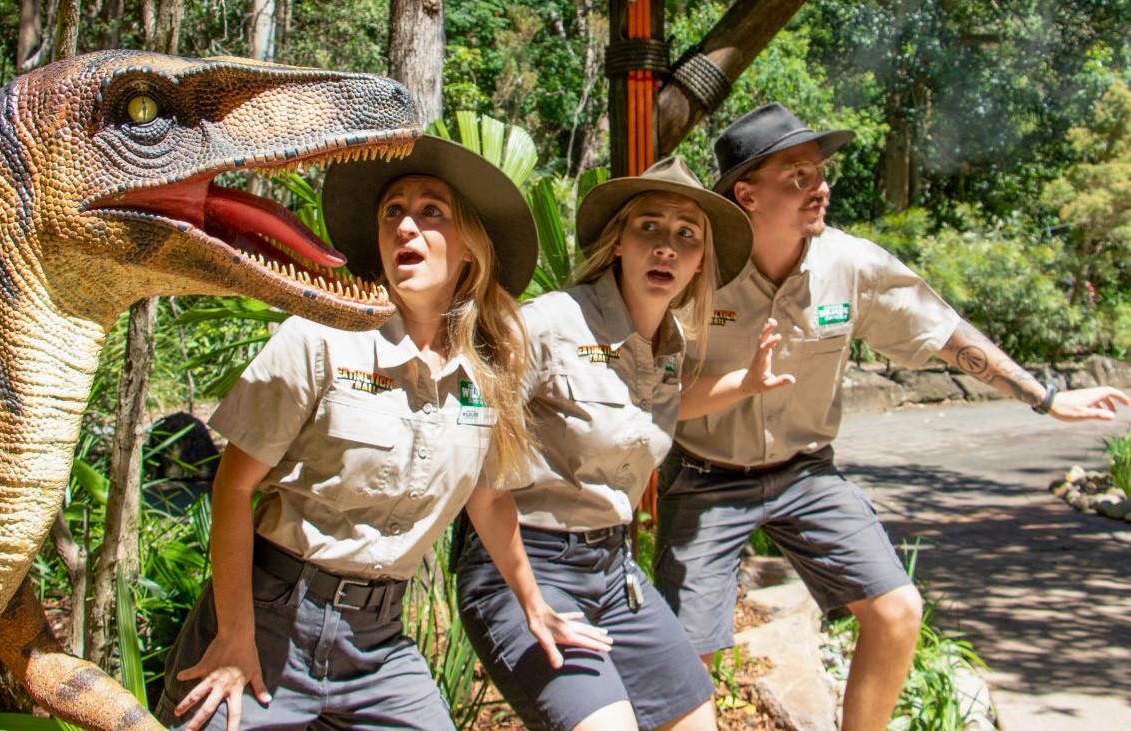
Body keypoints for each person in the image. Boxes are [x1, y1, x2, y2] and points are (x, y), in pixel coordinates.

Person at [651, 102, 1131, 731]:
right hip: (706, 479)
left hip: (806, 476)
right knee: (690, 660)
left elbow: (942, 331)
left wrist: (1043, 398)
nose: (819, 187)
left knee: (898, 609)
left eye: (821, 173)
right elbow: (649, 389)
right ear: (746, 192)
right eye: (797, 176)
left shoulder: (851, 264)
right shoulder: (694, 269)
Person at [156, 135, 610, 731]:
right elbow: (233, 489)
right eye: (392, 211)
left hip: (377, 645)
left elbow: (491, 499)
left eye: (431, 212)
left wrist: (535, 605)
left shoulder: (488, 377)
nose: (405, 227)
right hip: (264, 622)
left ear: (471, 248)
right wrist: (236, 640)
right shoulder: (318, 339)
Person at [456, 157, 755, 731]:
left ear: (699, 263)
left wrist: (751, 383)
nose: (667, 246)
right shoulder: (545, 325)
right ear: (617, 242)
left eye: (686, 235)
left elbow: (650, 412)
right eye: (650, 227)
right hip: (523, 564)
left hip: (613, 571)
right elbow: (476, 470)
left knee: (695, 720)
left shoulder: (667, 347)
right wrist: (530, 599)